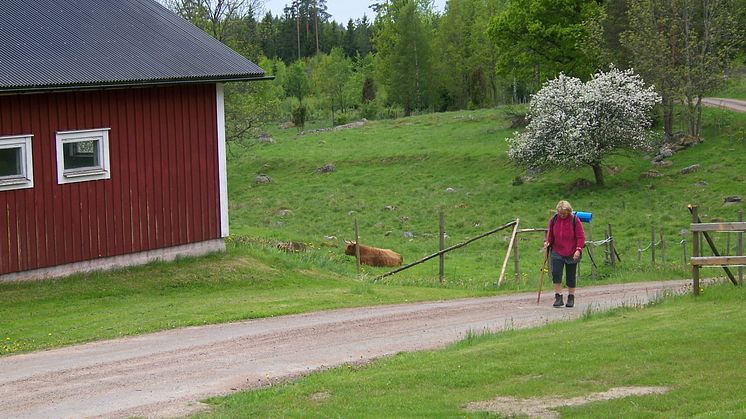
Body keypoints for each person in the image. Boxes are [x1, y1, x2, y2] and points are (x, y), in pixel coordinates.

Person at [543, 200, 585, 308]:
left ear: (569, 212)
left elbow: (580, 237)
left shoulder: (575, 220)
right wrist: (547, 242)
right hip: (557, 251)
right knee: (556, 273)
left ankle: (571, 297)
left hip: (571, 251)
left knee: (570, 275)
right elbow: (550, 235)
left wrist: (578, 249)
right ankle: (558, 297)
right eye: (560, 213)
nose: (562, 215)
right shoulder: (553, 220)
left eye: (564, 213)